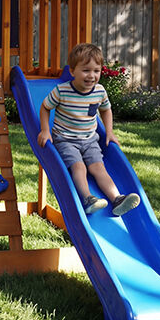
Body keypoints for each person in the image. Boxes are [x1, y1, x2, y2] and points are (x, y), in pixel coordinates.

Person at [38, 43, 141, 217]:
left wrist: (109, 132)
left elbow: (106, 110)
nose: (91, 76)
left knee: (99, 168)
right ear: (72, 71)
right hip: (65, 140)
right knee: (79, 168)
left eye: (96, 71)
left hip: (90, 139)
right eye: (86, 70)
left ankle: (117, 199)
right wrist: (45, 130)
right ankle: (87, 199)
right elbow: (45, 107)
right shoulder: (61, 91)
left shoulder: (99, 91)